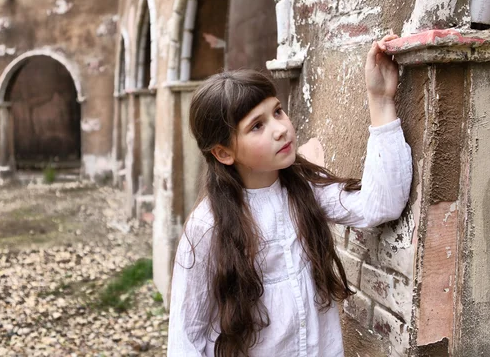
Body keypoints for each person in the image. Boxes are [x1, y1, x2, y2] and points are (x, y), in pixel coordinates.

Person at [167, 34, 412, 356]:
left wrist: (380, 101)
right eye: (257, 126)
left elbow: (381, 205)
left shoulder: (305, 190)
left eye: (278, 111)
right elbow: (187, 335)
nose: (280, 128)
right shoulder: (207, 226)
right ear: (223, 152)